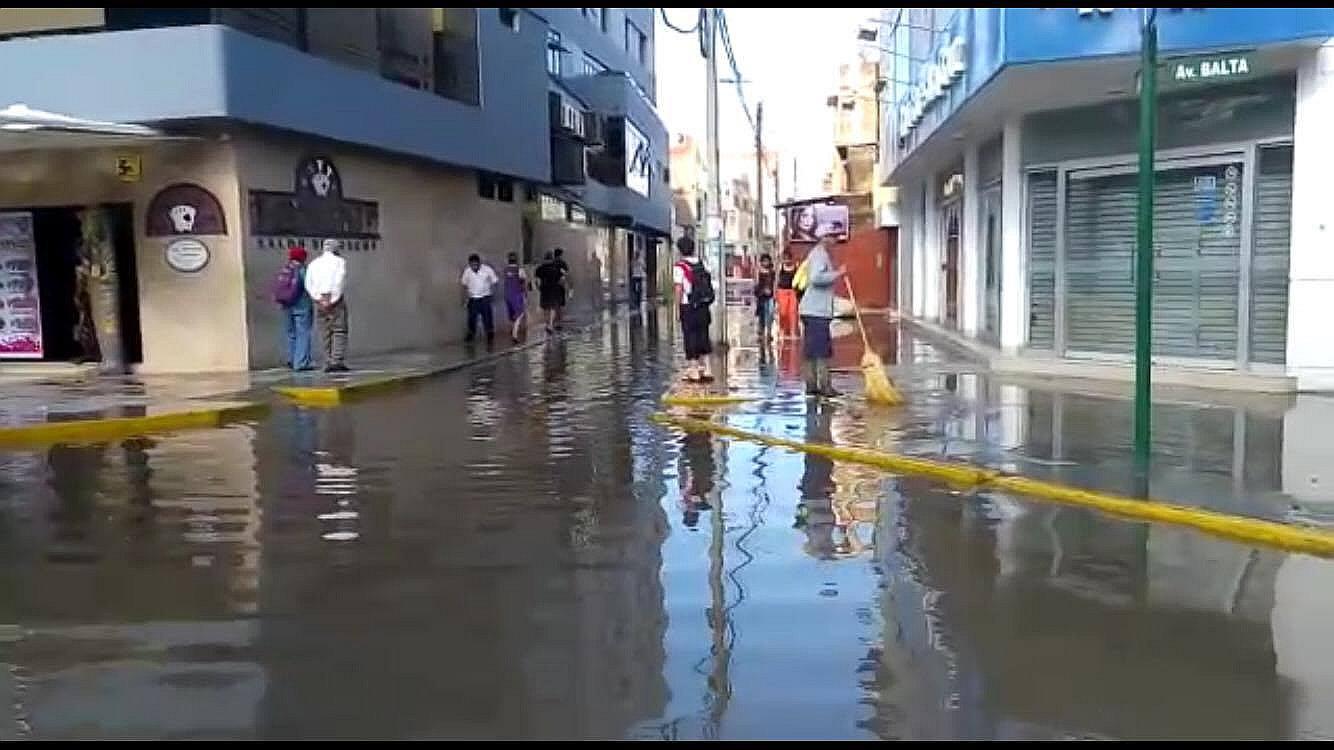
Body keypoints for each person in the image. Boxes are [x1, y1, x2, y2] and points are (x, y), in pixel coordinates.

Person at [798, 232, 846, 397]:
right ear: (825, 238)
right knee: (821, 350)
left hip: (812, 310)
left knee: (812, 350)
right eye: (833, 237)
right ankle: (824, 386)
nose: (835, 241)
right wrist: (837, 274)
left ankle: (812, 385)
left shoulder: (818, 253)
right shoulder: (820, 254)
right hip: (816, 311)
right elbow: (816, 278)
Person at [672, 236, 714, 383]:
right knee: (704, 335)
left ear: (680, 250)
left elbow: (679, 289)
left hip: (688, 305)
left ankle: (694, 370)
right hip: (703, 305)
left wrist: (677, 308)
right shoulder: (703, 263)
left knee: (690, 336)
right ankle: (707, 369)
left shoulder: (680, 267)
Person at [305, 239, 349, 373]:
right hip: (335, 300)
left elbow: (308, 284)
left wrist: (318, 298)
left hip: (319, 301)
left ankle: (328, 360)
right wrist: (333, 299)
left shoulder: (313, 264)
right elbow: (340, 280)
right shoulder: (340, 262)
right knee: (339, 330)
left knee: (324, 332)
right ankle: (336, 360)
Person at [274, 245, 314, 371]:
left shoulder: (285, 269)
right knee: (303, 333)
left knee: (291, 333)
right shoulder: (302, 270)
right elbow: (309, 286)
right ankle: (301, 363)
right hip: (302, 305)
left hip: (286, 305)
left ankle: (292, 360)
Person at [460, 253, 499, 344]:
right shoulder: (467, 271)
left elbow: (495, 281)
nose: (474, 267)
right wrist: (464, 298)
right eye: (472, 265)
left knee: (487, 318)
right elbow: (464, 285)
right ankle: (471, 334)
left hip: (485, 298)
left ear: (479, 263)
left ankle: (489, 334)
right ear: (469, 264)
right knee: (471, 318)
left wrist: (493, 295)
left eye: (476, 265)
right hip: (473, 298)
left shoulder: (487, 269)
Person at [535, 251, 565, 334]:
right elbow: (562, 279)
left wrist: (538, 288)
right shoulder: (556, 268)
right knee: (553, 308)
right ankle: (550, 324)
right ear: (552, 259)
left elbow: (537, 280)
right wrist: (561, 286)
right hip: (554, 289)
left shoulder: (540, 268)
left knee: (545, 308)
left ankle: (547, 323)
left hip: (544, 290)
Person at [502, 252, 528, 344]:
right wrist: (525, 293)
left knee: (512, 315)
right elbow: (523, 282)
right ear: (516, 260)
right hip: (517, 294)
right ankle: (514, 334)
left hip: (507, 295)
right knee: (520, 314)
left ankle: (512, 330)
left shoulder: (505, 270)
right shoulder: (520, 270)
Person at [775, 250, 799, 339]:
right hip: (782, 291)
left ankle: (793, 331)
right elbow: (776, 280)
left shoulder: (796, 267)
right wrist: (775, 292)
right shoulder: (780, 267)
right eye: (784, 259)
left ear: (791, 259)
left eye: (788, 259)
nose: (787, 261)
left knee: (793, 312)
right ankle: (783, 330)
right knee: (783, 312)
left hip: (793, 291)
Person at [754, 253, 775, 342]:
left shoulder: (772, 272)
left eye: (767, 261)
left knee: (770, 314)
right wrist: (762, 291)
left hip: (770, 296)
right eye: (764, 261)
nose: (766, 263)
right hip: (761, 297)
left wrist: (773, 292)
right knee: (762, 315)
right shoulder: (758, 272)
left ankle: (769, 332)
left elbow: (775, 283)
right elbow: (756, 285)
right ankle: (761, 333)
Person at [553, 247, 571, 328]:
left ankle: (555, 319)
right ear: (560, 255)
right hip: (560, 285)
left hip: (553, 285)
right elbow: (566, 273)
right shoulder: (562, 263)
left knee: (555, 302)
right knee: (560, 303)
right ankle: (559, 319)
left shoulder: (552, 263)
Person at [630, 245, 647, 310]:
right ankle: (636, 300)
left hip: (638, 276)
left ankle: (638, 300)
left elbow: (644, 267)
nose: (636, 255)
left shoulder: (640, 260)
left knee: (638, 289)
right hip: (636, 276)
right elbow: (631, 266)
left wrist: (640, 264)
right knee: (635, 289)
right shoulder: (634, 260)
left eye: (637, 254)